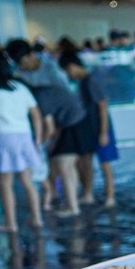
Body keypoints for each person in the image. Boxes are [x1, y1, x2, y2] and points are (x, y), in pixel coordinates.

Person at [0, 51, 44, 232]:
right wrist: (37, 138)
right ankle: (37, 219)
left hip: (3, 139)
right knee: (28, 181)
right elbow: (36, 114)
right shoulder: (20, 88)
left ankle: (11, 224)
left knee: (5, 183)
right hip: (24, 136)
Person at [59, 51, 118, 207]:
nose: (68, 75)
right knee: (87, 160)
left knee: (105, 163)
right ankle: (88, 193)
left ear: (72, 66)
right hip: (91, 127)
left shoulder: (92, 81)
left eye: (67, 71)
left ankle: (110, 196)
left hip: (101, 128)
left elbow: (103, 107)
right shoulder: (84, 81)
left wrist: (104, 132)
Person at [31, 84, 90, 216]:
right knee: (70, 167)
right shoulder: (46, 92)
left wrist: (41, 145)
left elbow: (50, 128)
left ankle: (72, 208)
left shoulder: (40, 98)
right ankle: (72, 204)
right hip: (79, 122)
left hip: (71, 125)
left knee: (65, 167)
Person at [4, 39, 69, 89]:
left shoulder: (52, 68)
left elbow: (65, 91)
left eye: (23, 63)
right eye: (18, 65)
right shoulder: (19, 74)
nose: (22, 67)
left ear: (31, 54)